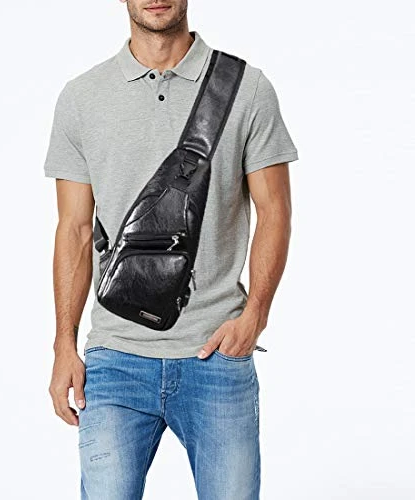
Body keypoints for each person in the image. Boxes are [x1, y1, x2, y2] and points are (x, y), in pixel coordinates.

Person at [43, 1, 298, 498]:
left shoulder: (245, 87)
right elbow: (73, 229)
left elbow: (276, 211)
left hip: (216, 354)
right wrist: (63, 346)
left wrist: (255, 318)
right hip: (115, 357)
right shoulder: (82, 97)